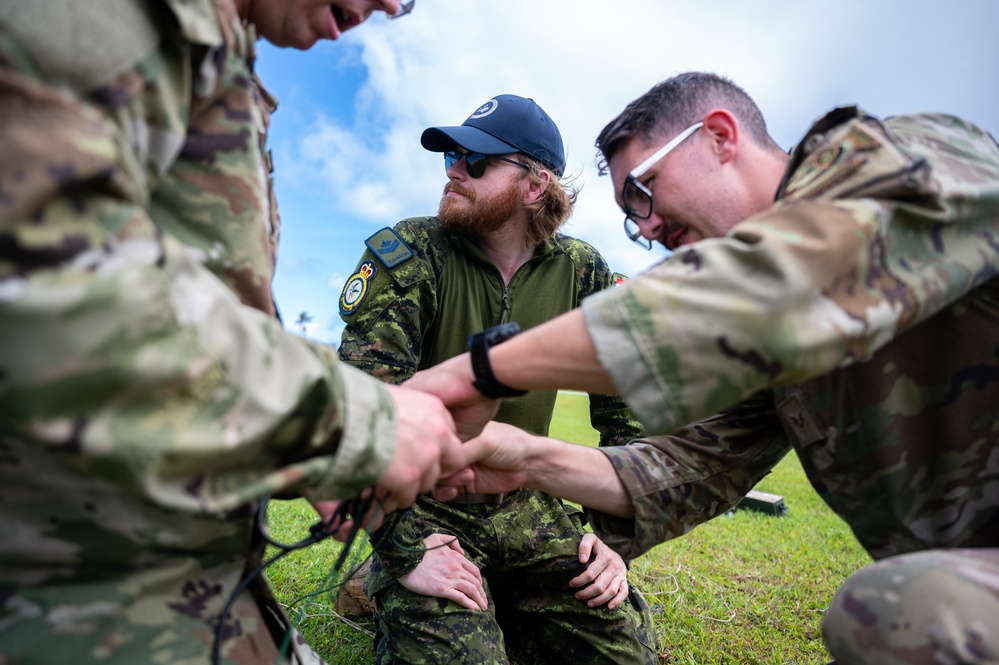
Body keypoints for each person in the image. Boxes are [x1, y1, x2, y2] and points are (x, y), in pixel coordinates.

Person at [409, 72, 999, 665]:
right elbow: (688, 466)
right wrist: (528, 456)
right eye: (627, 215)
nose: (645, 226)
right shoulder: (775, 338)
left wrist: (485, 371)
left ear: (719, 137)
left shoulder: (924, 156)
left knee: (895, 611)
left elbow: (785, 276)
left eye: (644, 190)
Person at [0, 1, 467, 664]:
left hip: (162, 549)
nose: (392, 6)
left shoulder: (222, 53)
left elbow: (216, 293)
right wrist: (348, 422)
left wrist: (300, 457)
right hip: (59, 569)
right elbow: (46, 280)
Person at [336, 94, 657, 664]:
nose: (455, 170)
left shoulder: (584, 272)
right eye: (451, 158)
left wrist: (615, 540)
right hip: (427, 506)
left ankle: (504, 599)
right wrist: (405, 550)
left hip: (530, 502)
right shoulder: (412, 253)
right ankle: (391, 592)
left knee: (621, 653)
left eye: (476, 161)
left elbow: (625, 413)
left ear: (535, 185)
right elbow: (362, 406)